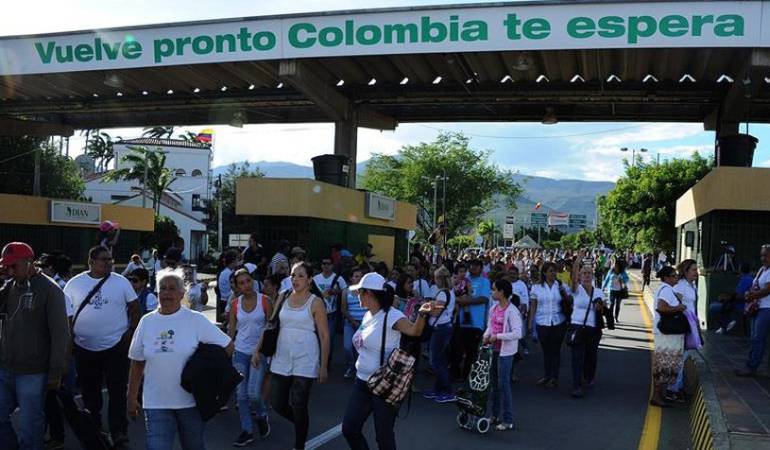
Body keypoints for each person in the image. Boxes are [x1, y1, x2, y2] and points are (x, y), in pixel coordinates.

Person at [127, 270, 232, 450]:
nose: (167, 293)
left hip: (190, 403)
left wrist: (205, 372)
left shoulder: (195, 320)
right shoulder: (147, 322)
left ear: (182, 293)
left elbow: (228, 346)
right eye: (163, 289)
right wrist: (131, 397)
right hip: (156, 403)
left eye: (172, 289)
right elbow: (137, 362)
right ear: (157, 293)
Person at [341, 272, 441, 450]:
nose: (357, 296)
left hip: (384, 385)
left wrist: (422, 313)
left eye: (360, 292)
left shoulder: (391, 315)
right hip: (362, 382)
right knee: (349, 428)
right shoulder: (367, 315)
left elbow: (414, 331)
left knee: (383, 436)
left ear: (370, 294)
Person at [64, 245, 139, 447]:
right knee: (90, 393)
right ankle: (94, 429)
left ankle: (119, 432)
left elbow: (134, 307)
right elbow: (67, 316)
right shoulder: (74, 284)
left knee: (117, 391)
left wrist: (130, 332)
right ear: (91, 262)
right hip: (84, 347)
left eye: (110, 260)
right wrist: (68, 343)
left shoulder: (121, 282)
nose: (108, 263)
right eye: (103, 260)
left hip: (115, 347)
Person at [0, 242, 69, 450]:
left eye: (14, 266)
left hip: (32, 371)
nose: (10, 270)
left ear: (29, 262)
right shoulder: (11, 286)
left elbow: (60, 334)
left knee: (29, 426)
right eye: (7, 266)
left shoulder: (50, 290)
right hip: (6, 368)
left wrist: (56, 372)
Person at [253, 262, 329, 450]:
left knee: (298, 403)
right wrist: (257, 349)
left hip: (306, 357)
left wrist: (323, 365)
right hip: (282, 355)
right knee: (278, 403)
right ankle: (302, 424)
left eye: (300, 276)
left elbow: (324, 335)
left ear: (310, 280)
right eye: (293, 275)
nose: (295, 279)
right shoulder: (283, 296)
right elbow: (270, 324)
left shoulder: (316, 302)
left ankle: (299, 444)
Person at [227, 269, 272, 446]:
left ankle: (261, 415)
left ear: (252, 280)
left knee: (253, 393)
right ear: (237, 286)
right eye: (241, 283)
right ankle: (247, 430)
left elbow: (270, 328)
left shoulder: (265, 300)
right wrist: (227, 350)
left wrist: (263, 352)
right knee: (241, 395)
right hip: (240, 352)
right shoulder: (235, 304)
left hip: (258, 353)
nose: (246, 285)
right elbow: (231, 330)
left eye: (248, 281)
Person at [482, 279, 523, 431]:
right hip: (494, 350)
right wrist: (486, 336)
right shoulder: (493, 309)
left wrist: (497, 337)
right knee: (494, 384)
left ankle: (508, 419)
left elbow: (518, 333)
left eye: (494, 290)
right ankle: (494, 415)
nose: (492, 292)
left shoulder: (512, 311)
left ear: (502, 292)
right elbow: (490, 327)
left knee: (503, 384)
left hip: (506, 353)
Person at [568, 254, 605, 398]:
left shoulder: (599, 291)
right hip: (577, 327)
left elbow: (603, 308)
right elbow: (573, 277)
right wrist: (577, 261)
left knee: (591, 356)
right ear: (580, 276)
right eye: (584, 273)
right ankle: (576, 385)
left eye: (589, 273)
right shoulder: (576, 289)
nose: (587, 276)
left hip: (593, 329)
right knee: (577, 356)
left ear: (593, 276)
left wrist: (599, 306)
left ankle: (588, 376)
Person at [650, 266, 686, 407]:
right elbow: (661, 307)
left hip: (665, 333)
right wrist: (679, 308)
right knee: (663, 364)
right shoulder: (666, 290)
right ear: (666, 278)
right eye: (673, 276)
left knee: (665, 364)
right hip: (666, 333)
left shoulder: (665, 289)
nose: (676, 278)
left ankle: (659, 395)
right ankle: (657, 396)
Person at [529, 262, 568, 388]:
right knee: (546, 351)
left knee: (555, 350)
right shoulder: (536, 288)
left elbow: (570, 300)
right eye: (550, 271)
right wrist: (530, 324)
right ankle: (547, 375)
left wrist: (565, 294)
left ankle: (554, 377)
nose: (553, 273)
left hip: (558, 321)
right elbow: (533, 306)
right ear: (544, 273)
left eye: (554, 271)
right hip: (542, 322)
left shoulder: (560, 285)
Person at [423, 266, 457, 403]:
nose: (434, 279)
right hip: (444, 327)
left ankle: (448, 391)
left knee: (435, 361)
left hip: (440, 329)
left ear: (440, 279)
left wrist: (427, 307)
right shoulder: (450, 292)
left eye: (436, 277)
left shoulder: (443, 294)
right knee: (440, 360)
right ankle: (438, 389)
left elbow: (435, 312)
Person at [736, 245, 770, 378]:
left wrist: (753, 296)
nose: (763, 258)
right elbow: (756, 285)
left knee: (758, 338)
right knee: (755, 337)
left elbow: (767, 289)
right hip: (758, 307)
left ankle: (752, 366)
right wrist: (749, 293)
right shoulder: (762, 270)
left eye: (766, 255)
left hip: (766, 308)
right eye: (762, 255)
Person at [452, 259, 489, 382]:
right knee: (456, 350)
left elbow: (484, 298)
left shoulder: (485, 282)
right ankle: (456, 375)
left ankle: (467, 378)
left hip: (476, 323)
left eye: (476, 266)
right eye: (471, 266)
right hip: (461, 321)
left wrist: (466, 302)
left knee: (471, 353)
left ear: (481, 268)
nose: (473, 268)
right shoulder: (463, 280)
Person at [668, 259, 698, 402]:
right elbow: (675, 305)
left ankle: (676, 387)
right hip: (683, 325)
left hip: (690, 324)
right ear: (685, 271)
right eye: (693, 270)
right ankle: (673, 389)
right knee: (680, 356)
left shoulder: (691, 286)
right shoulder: (680, 287)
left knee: (683, 356)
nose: (696, 273)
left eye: (696, 270)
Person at [313, 258, 347, 369]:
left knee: (329, 339)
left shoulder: (339, 279)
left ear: (332, 265)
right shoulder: (315, 279)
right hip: (318, 313)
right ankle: (318, 362)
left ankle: (326, 363)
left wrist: (335, 292)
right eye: (324, 263)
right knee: (317, 339)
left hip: (332, 314)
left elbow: (346, 291)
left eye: (328, 263)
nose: (326, 265)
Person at [711, 264, 753, 334]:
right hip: (743, 304)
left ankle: (726, 324)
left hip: (741, 305)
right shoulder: (750, 279)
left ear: (741, 271)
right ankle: (727, 324)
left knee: (713, 307)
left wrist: (726, 298)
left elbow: (739, 295)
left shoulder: (745, 279)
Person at [340, 269, 367, 379]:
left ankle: (358, 369)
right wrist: (352, 321)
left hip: (364, 324)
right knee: (347, 347)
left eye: (360, 276)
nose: (358, 278)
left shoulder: (366, 291)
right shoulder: (346, 291)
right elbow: (343, 309)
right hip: (350, 323)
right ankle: (352, 365)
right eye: (356, 276)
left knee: (361, 348)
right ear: (351, 278)